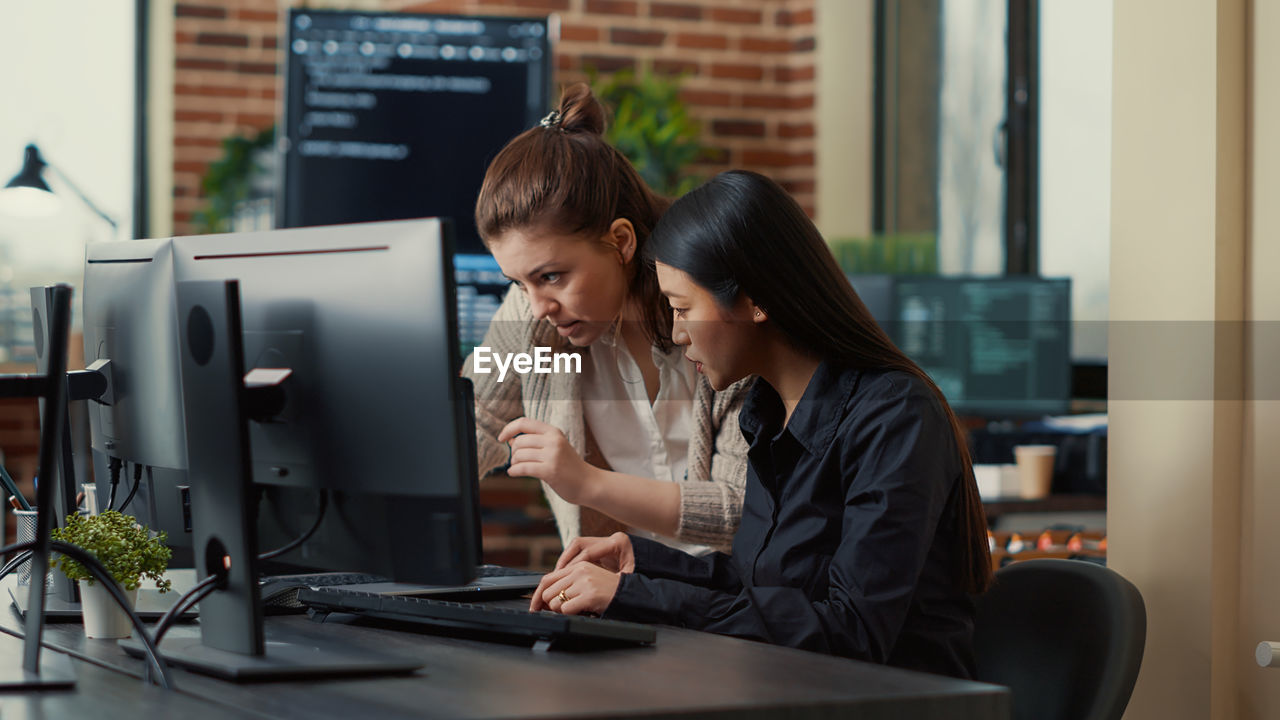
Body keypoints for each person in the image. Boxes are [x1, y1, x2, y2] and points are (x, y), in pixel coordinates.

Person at [529, 170, 993, 679]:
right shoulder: (768, 411)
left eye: (683, 308)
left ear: (755, 301)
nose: (678, 333)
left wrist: (636, 597)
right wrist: (644, 563)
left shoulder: (895, 416)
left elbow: (852, 632)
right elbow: (765, 583)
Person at [465, 83, 751, 555]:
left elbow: (740, 509)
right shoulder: (533, 318)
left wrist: (585, 482)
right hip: (619, 603)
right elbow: (473, 423)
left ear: (621, 241)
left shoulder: (718, 310)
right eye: (519, 283)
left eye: (552, 276)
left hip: (734, 608)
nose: (537, 306)